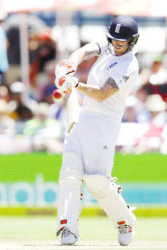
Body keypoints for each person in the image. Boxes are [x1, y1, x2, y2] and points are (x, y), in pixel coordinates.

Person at [54, 16, 139, 246]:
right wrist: (69, 65)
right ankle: (68, 228)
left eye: (123, 41)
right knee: (69, 173)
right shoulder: (108, 48)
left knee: (97, 181)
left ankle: (124, 220)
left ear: (133, 41)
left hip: (104, 125)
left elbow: (103, 93)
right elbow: (84, 51)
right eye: (114, 40)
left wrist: (75, 85)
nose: (117, 44)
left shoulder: (129, 66)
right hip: (84, 121)